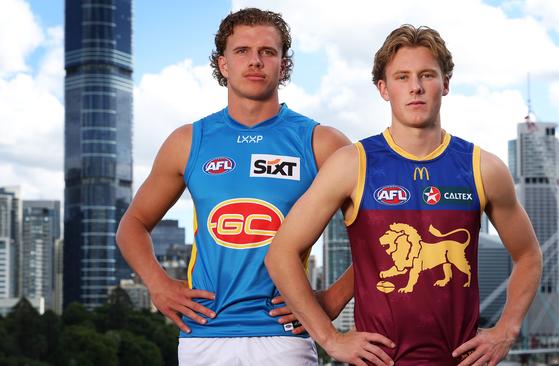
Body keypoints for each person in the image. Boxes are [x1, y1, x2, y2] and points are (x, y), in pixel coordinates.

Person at [116, 8, 381, 365]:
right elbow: (132, 225)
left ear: (283, 65)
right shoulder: (188, 141)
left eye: (267, 52)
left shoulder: (321, 143)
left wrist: (333, 299)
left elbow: (384, 231)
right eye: (242, 51)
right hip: (204, 334)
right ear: (223, 64)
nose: (255, 62)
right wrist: (158, 284)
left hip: (284, 337)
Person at [265, 24, 543, 366]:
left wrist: (506, 330)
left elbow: (529, 256)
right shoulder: (352, 164)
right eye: (402, 77)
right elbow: (281, 253)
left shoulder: (483, 168)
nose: (415, 88)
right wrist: (330, 339)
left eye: (427, 75)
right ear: (383, 88)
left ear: (446, 84)